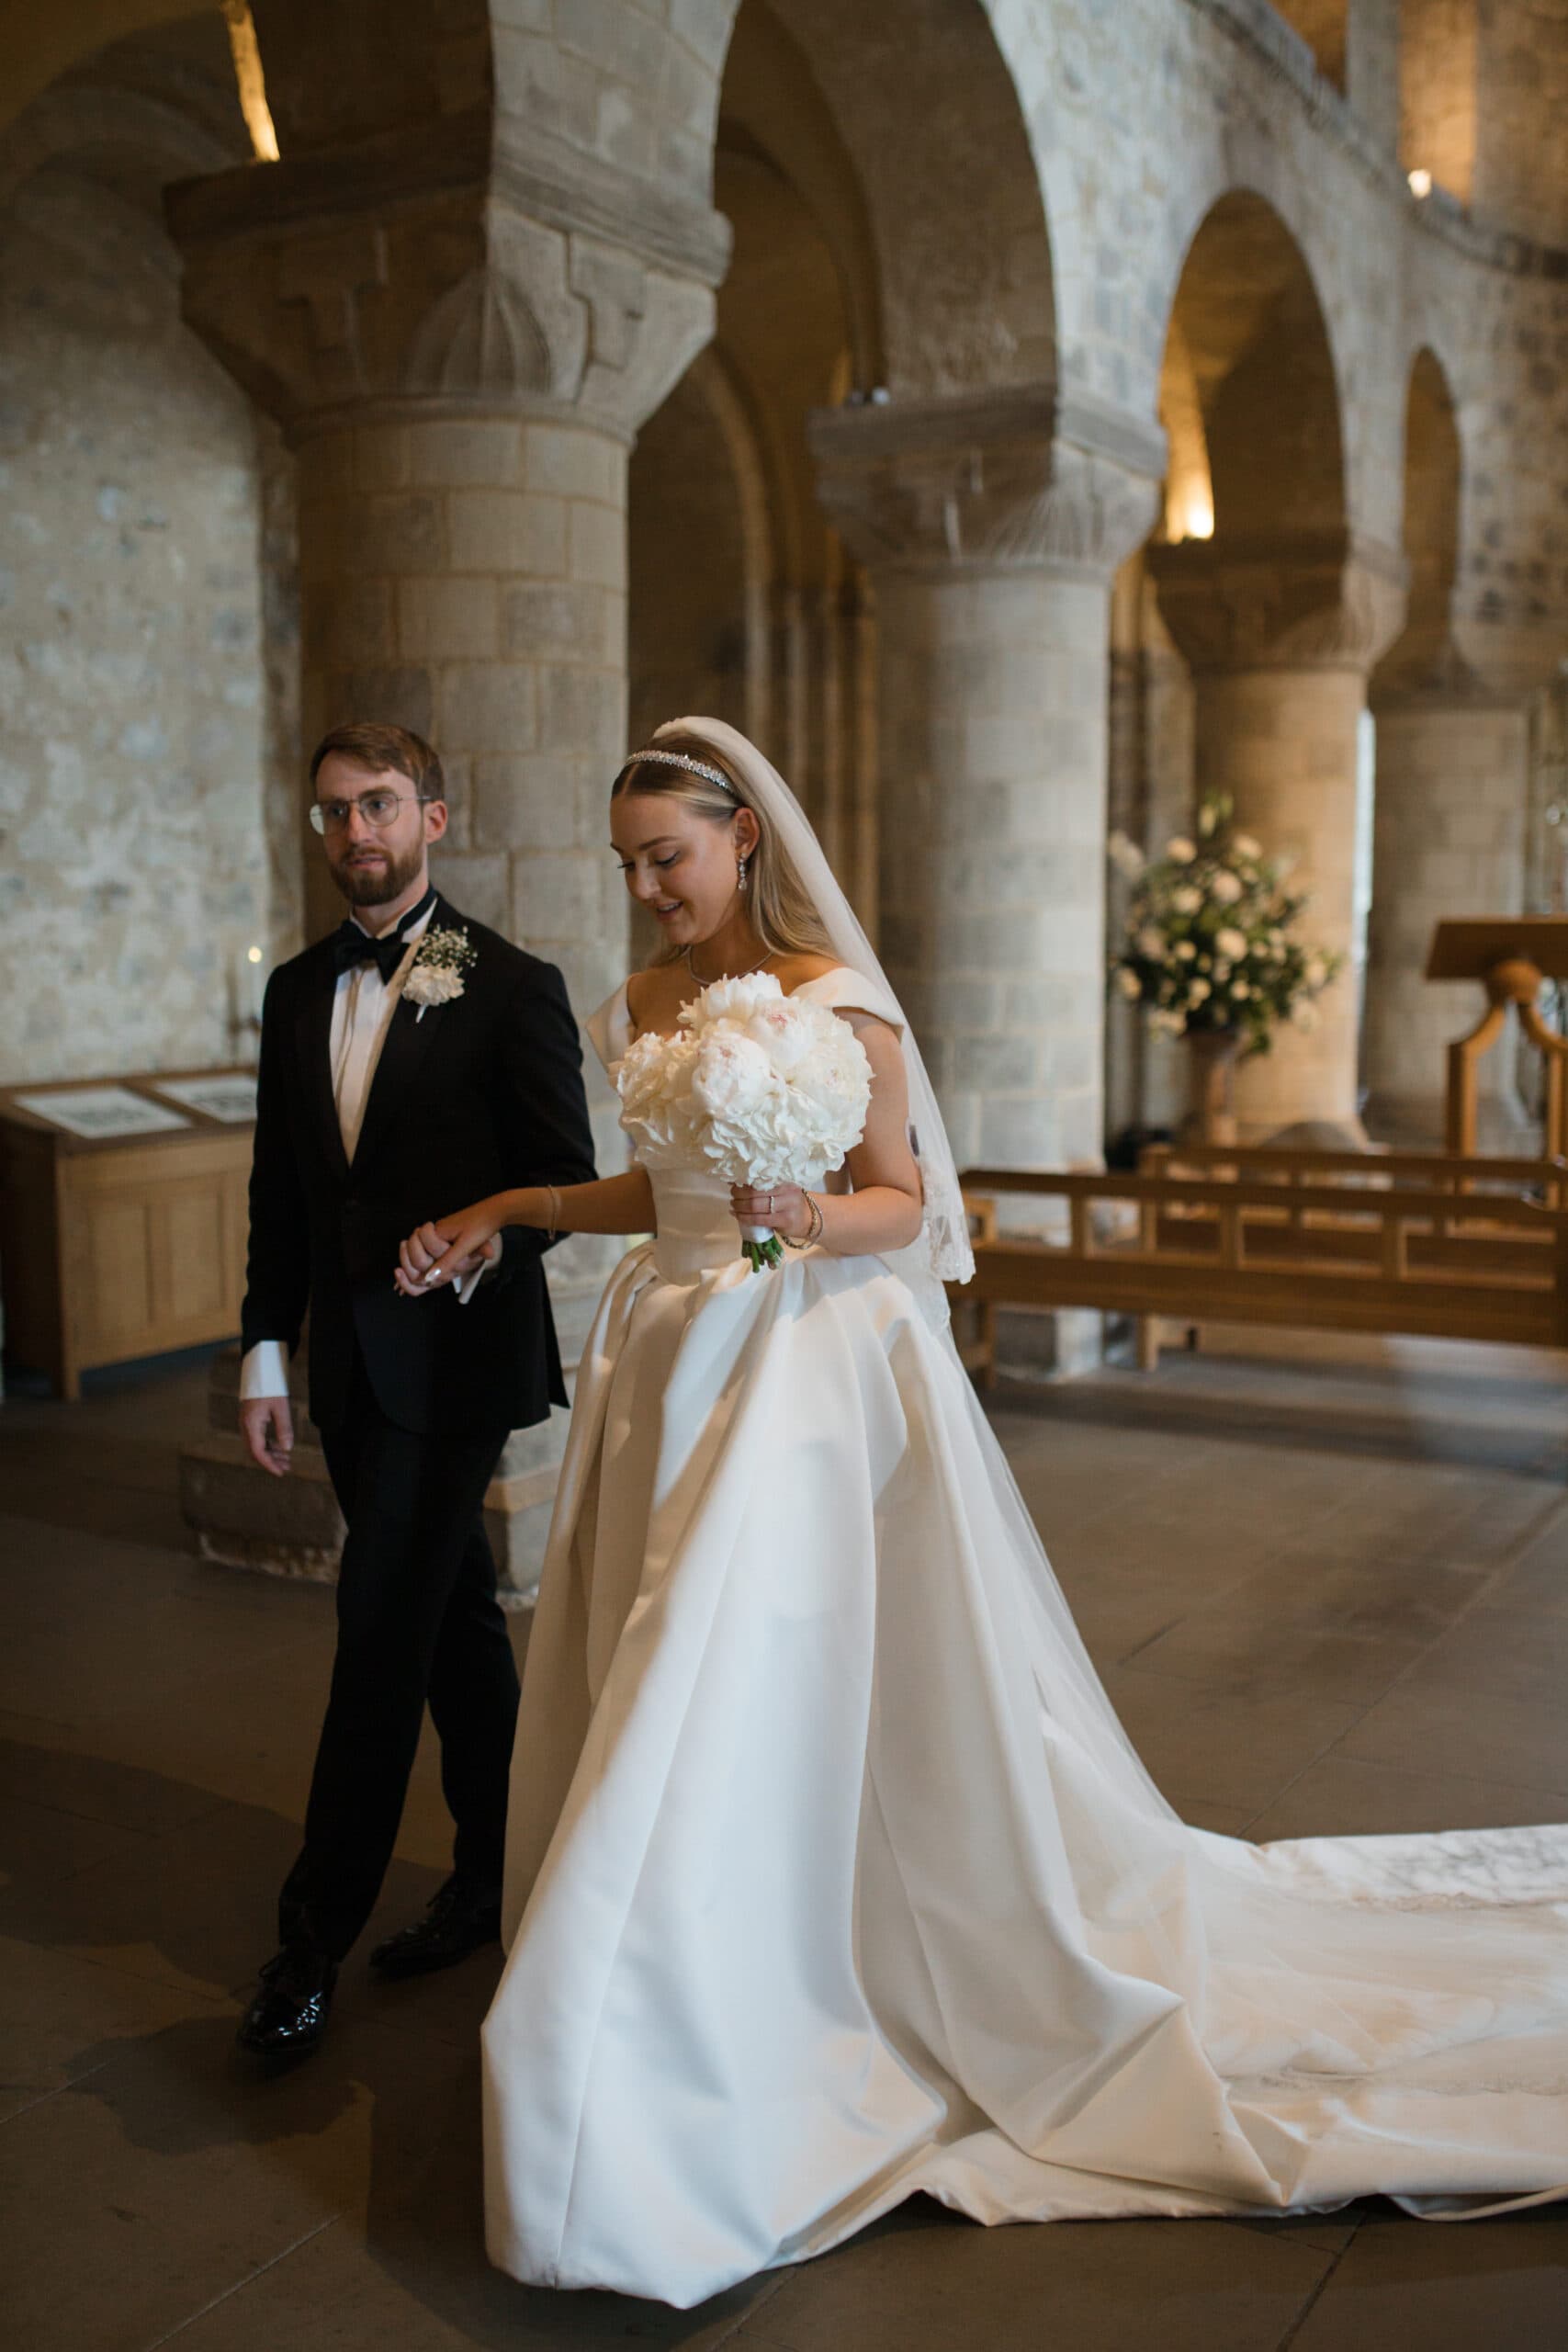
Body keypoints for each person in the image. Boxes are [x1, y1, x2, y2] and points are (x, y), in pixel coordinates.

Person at [399, 718, 1568, 2307]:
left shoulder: (841, 1009)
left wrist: (806, 1213)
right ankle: (690, 1982)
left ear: (744, 840)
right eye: (627, 864)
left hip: (800, 1381)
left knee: (746, 1674)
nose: (647, 889)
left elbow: (904, 1203)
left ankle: (744, 1998)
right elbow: (663, 1188)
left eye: (665, 856)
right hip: (663, 1362)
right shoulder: (647, 1005)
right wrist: (513, 1207)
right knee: (655, 1658)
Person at [234, 721, 596, 2064]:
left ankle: (308, 1941)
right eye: (332, 813)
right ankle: (499, 1872)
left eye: (379, 806)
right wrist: (266, 1350)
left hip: (455, 1361)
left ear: (435, 819)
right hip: (345, 1369)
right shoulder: (292, 991)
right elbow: (282, 1192)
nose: (354, 835)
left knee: (379, 1628)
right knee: (453, 1628)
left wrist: (493, 1235)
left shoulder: (504, 985)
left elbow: (562, 1174)